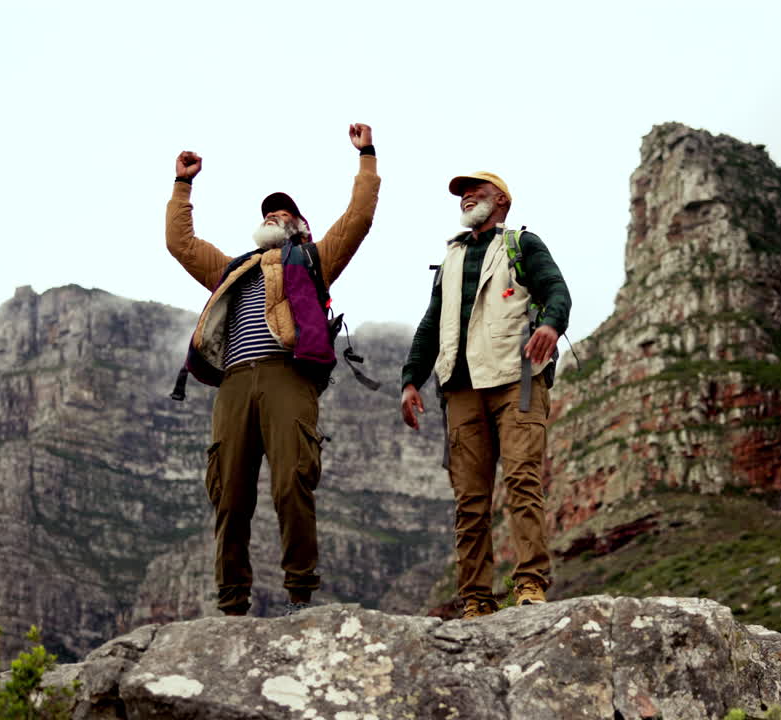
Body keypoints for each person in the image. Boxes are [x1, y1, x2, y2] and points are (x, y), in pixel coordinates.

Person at [166, 124, 379, 616]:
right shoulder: (230, 269)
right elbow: (181, 243)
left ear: (300, 227)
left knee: (291, 482)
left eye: (284, 214)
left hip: (288, 376)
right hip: (235, 384)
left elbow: (359, 218)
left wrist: (366, 156)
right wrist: (183, 185)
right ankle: (231, 601)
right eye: (268, 213)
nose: (274, 217)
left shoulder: (313, 259)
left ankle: (300, 594)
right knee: (230, 493)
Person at [400, 171, 571, 619]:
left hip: (518, 379)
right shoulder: (451, 256)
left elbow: (556, 289)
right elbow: (431, 323)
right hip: (460, 387)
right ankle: (475, 598)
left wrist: (552, 324)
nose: (466, 196)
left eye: (476, 190)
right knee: (470, 500)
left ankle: (530, 583)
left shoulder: (521, 244)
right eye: (462, 192)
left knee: (521, 481)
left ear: (501, 200)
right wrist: (410, 380)